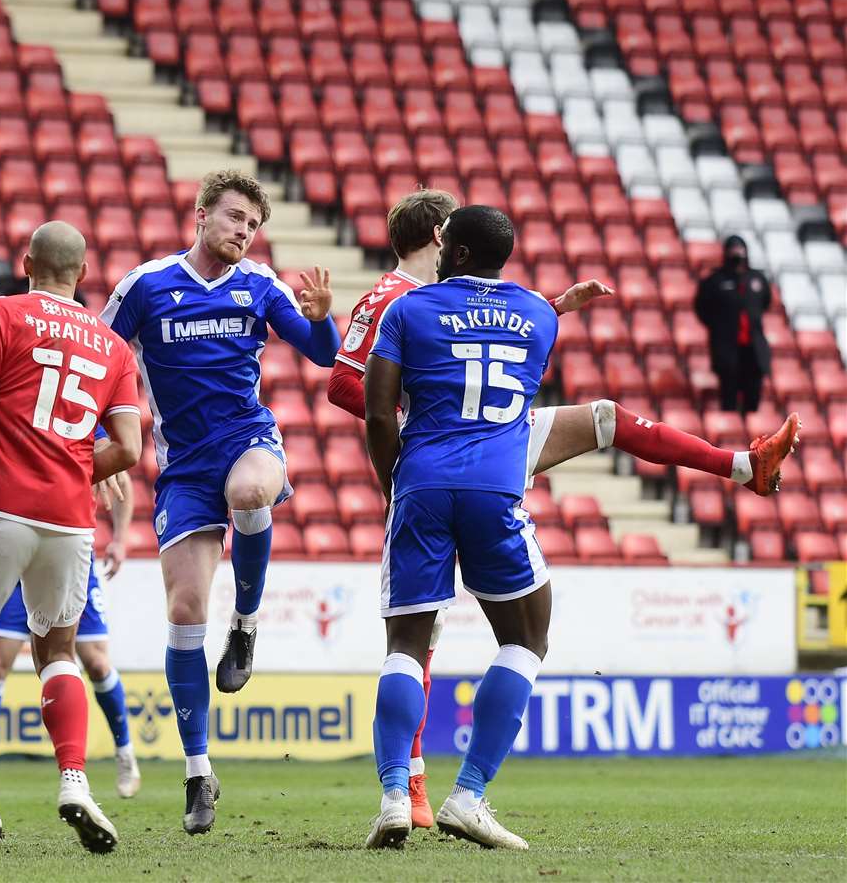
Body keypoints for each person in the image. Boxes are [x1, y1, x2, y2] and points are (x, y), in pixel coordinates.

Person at [330, 191, 801, 830]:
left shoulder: (418, 305)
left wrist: (398, 475)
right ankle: (437, 790)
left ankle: (743, 466)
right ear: (440, 235)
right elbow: (346, 383)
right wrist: (546, 309)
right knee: (492, 636)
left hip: (437, 458)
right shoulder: (398, 297)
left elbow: (457, 337)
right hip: (477, 441)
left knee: (602, 418)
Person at [100, 169, 339, 834]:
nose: (243, 231)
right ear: (200, 214)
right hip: (182, 468)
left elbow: (324, 354)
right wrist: (97, 443)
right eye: (235, 217)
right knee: (182, 612)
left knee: (250, 491)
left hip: (247, 439)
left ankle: (249, 622)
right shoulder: (145, 286)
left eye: (253, 224)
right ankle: (198, 771)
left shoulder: (261, 285)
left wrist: (322, 324)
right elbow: (97, 362)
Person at [0, 221, 142, 858]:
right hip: (70, 521)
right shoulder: (112, 345)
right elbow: (126, 448)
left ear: (26, 262)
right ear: (83, 273)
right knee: (59, 652)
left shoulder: (3, 315)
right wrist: (72, 467)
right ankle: (75, 781)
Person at [362, 205, 559, 851]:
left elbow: (377, 413)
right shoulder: (539, 314)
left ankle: (395, 796)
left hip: (421, 485)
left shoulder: (409, 310)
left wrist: (395, 483)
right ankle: (469, 795)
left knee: (405, 647)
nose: (438, 250)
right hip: (494, 490)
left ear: (464, 254)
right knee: (528, 637)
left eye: (447, 244)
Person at [0, 463, 141, 799]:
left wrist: (120, 539)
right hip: (19, 556)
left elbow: (121, 473)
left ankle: (125, 753)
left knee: (96, 663)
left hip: (70, 551)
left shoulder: (80, 416)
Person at [694, 235, 773, 414]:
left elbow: (765, 302)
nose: (737, 253)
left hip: (753, 349)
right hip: (727, 349)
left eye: (740, 249)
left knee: (753, 397)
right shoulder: (714, 281)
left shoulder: (757, 279)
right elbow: (702, 308)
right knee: (729, 397)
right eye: (733, 249)